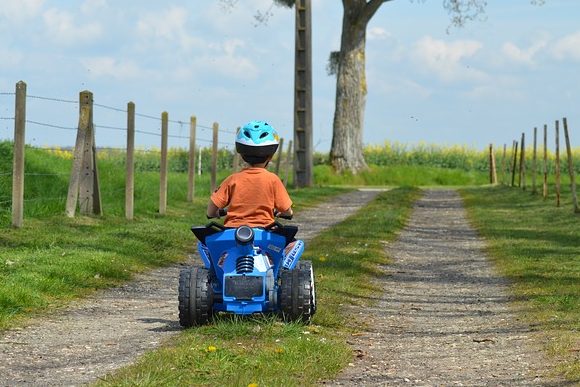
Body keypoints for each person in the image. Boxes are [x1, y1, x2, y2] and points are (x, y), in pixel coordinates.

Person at [206, 120, 293, 228]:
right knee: (294, 243)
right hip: (264, 233)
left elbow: (211, 209)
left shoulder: (232, 180)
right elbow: (287, 210)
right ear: (270, 156)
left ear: (242, 155)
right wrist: (285, 214)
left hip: (233, 232)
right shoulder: (273, 180)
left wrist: (216, 213)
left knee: (206, 243)